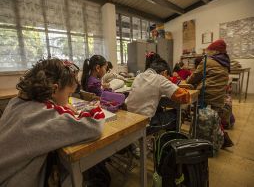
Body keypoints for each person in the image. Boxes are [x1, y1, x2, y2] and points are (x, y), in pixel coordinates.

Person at [0, 58, 105, 187]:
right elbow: (93, 127)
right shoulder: (45, 116)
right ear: (54, 90)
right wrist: (94, 107)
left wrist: (62, 105)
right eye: (68, 94)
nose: (68, 100)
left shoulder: (15, 101)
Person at [186, 39, 233, 147]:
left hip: (206, 96)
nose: (208, 52)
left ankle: (196, 137)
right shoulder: (226, 63)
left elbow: (194, 77)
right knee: (214, 118)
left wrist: (188, 80)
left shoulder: (207, 61)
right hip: (219, 97)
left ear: (214, 51)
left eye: (210, 50)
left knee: (196, 111)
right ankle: (218, 137)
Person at [126, 59, 190, 130]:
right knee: (178, 113)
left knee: (159, 109)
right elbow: (184, 97)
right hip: (145, 124)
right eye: (168, 78)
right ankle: (169, 138)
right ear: (165, 73)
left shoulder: (139, 76)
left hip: (130, 118)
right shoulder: (160, 78)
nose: (168, 80)